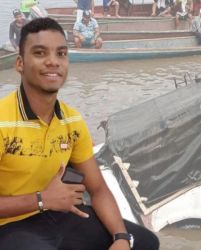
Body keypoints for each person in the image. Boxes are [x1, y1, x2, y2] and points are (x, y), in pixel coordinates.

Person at [0, 17, 160, 250]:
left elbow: (98, 190)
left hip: (61, 215)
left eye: (61, 54)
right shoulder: (3, 121)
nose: (53, 62)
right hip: (10, 225)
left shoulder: (72, 120)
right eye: (40, 53)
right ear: (20, 64)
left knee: (145, 242)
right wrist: (43, 199)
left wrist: (120, 238)